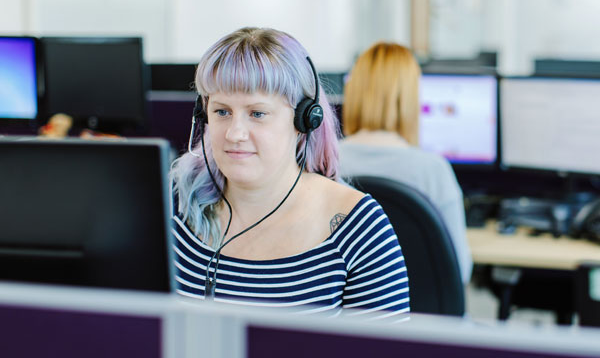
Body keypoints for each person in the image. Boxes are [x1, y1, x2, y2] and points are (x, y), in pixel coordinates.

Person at [170, 27, 409, 318]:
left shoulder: (356, 227)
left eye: (257, 113)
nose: (234, 133)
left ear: (303, 120)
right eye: (222, 112)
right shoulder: (173, 205)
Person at [339, 42, 473, 285]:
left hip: (352, 319)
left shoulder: (323, 161)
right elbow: (459, 272)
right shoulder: (432, 170)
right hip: (423, 320)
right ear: (411, 98)